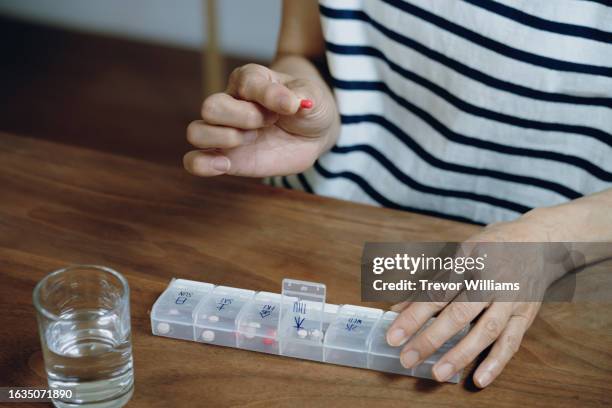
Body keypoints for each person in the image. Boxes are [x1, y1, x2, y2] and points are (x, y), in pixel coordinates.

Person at [183, 0, 612, 387]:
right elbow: (305, 51)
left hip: (566, 272)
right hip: (324, 226)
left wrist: (547, 242)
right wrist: (305, 106)